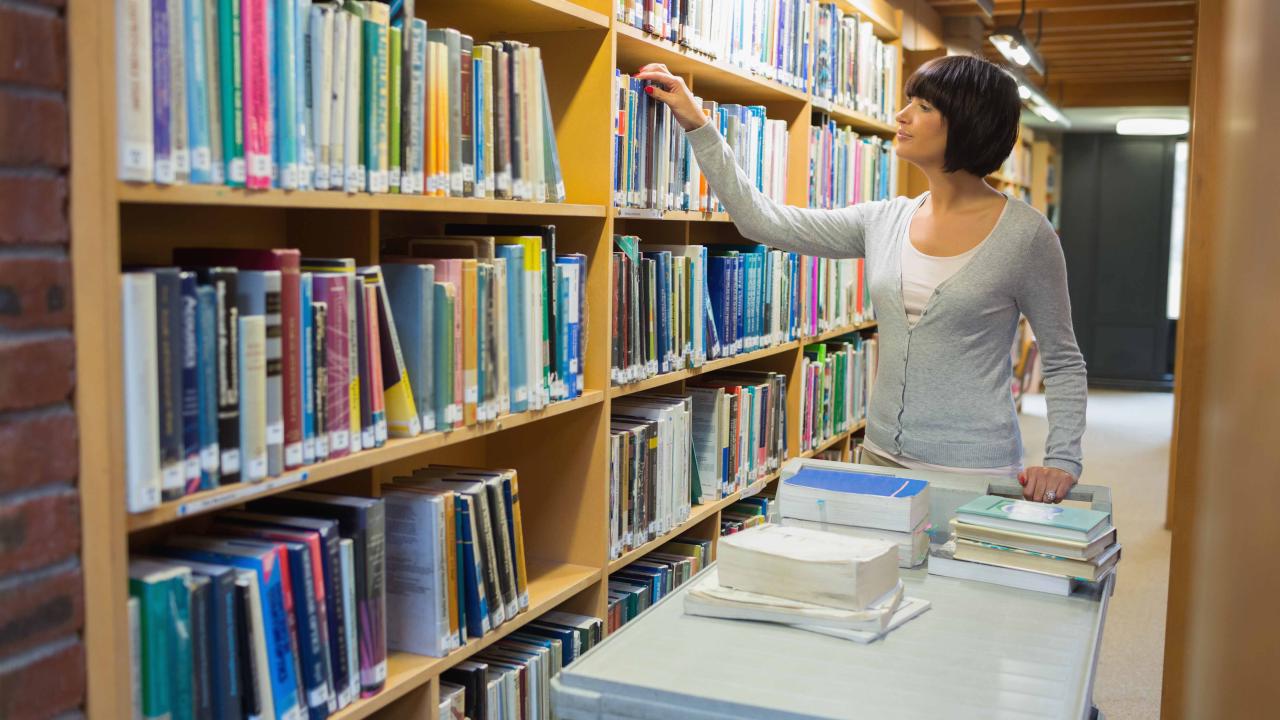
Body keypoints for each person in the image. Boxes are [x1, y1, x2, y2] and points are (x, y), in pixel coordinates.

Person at [637, 55, 1086, 504]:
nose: (902, 115)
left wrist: (1063, 459)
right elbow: (762, 221)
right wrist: (696, 122)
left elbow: (1064, 359)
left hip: (974, 469)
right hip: (880, 459)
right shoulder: (883, 220)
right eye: (909, 101)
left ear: (970, 122)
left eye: (925, 107)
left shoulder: (1026, 236)